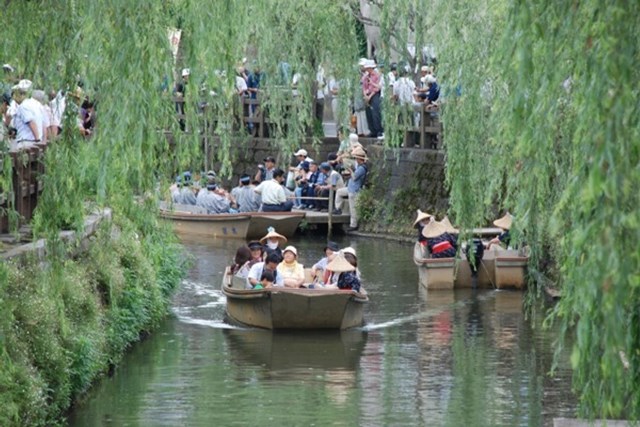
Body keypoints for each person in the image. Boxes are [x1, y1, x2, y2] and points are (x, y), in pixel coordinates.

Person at [345, 147, 368, 231]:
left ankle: (353, 225)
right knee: (352, 207)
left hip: (355, 190)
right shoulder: (359, 167)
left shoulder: (362, 168)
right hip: (352, 189)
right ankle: (353, 223)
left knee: (354, 208)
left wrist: (350, 170)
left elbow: (354, 177)